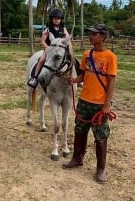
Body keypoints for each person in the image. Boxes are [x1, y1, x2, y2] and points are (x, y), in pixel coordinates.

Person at [62, 23, 118, 184]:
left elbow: (111, 82)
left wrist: (107, 105)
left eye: (94, 34)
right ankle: (77, 158)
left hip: (99, 104)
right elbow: (84, 76)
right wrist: (74, 80)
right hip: (84, 101)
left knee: (101, 136)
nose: (90, 36)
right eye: (90, 33)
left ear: (102, 37)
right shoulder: (87, 54)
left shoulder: (110, 57)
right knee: (80, 131)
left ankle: (101, 169)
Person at [27, 8, 70, 88]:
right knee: (41, 60)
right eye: (55, 19)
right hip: (49, 50)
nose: (56, 20)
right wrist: (48, 48)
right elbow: (43, 41)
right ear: (51, 19)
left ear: (61, 20)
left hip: (60, 50)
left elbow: (67, 39)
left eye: (58, 19)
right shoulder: (48, 29)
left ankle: (77, 77)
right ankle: (35, 78)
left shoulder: (63, 29)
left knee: (73, 60)